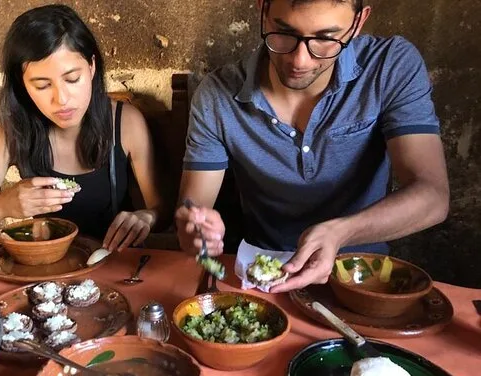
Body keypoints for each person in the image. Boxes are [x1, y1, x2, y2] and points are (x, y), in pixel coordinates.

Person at [175, 0, 449, 292]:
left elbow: (432, 196)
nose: (300, 61)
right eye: (285, 33)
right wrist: (196, 229)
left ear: (357, 23)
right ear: (263, 12)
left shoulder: (389, 65)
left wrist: (340, 233)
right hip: (264, 275)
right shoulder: (217, 95)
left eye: (325, 39)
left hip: (360, 275)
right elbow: (191, 209)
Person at [0, 4, 163, 251]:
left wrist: (147, 217)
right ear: (22, 85)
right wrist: (1, 206)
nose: (61, 99)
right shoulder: (12, 134)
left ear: (92, 66)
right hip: (48, 265)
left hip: (114, 262)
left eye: (72, 79)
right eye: (42, 85)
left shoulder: (125, 122)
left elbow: (161, 211)